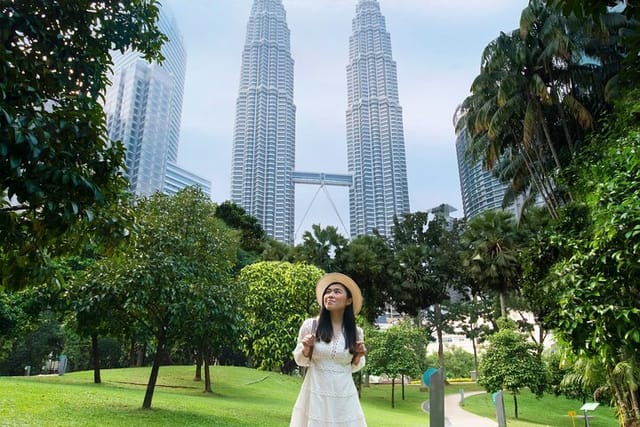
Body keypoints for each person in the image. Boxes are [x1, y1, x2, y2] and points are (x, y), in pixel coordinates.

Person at [289, 272, 367, 427]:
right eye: (328, 292)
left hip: (344, 395)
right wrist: (306, 348)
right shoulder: (311, 325)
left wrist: (358, 355)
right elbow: (301, 360)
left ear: (348, 300)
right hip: (315, 390)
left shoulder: (356, 332)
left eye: (337, 292)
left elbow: (355, 366)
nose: (330, 295)